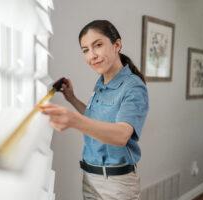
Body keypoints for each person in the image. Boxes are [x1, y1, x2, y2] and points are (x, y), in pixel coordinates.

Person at [40, 20, 149, 200]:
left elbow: (122, 135)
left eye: (97, 45)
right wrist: (72, 99)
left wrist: (74, 120)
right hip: (90, 177)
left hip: (117, 184)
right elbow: (96, 119)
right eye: (85, 50)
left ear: (117, 45)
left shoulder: (133, 87)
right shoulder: (102, 82)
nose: (92, 55)